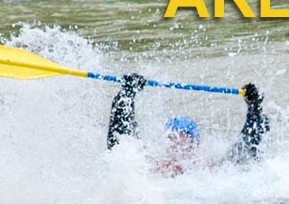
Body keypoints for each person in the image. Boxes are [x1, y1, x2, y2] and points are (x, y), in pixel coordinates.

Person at [106, 73, 269, 175]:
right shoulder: (152, 164)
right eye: (172, 137)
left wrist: (254, 109)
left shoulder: (207, 168)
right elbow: (120, 140)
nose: (178, 142)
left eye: (184, 136)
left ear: (195, 143)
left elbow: (247, 149)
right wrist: (126, 95)